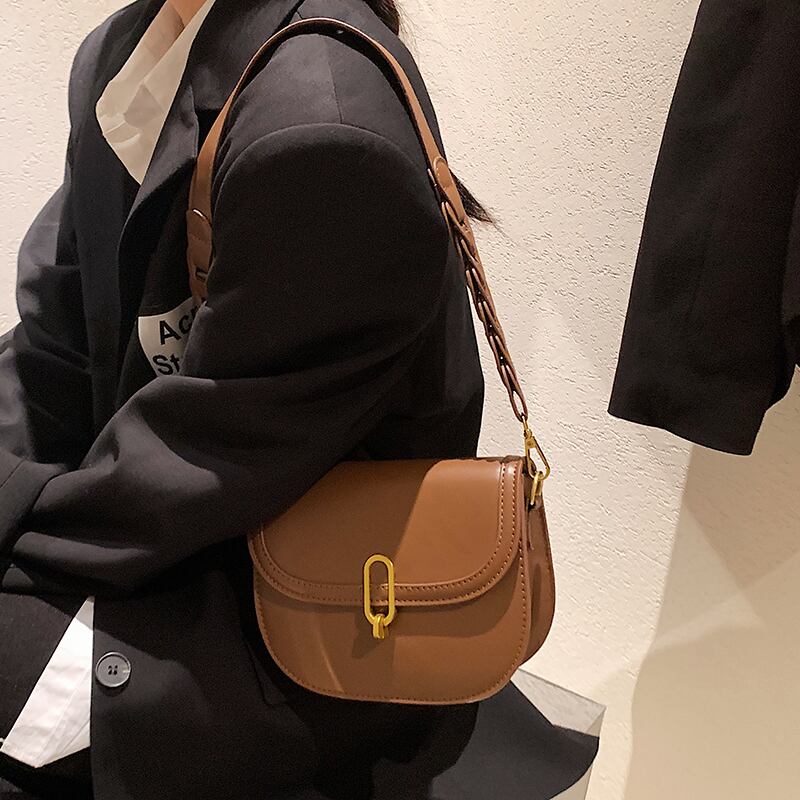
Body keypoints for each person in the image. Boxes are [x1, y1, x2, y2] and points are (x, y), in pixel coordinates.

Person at [0, 1, 598, 798]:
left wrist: (18, 531)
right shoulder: (121, 54)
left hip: (294, 623)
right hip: (165, 533)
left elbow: (205, 464)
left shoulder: (319, 123)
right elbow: (54, 335)